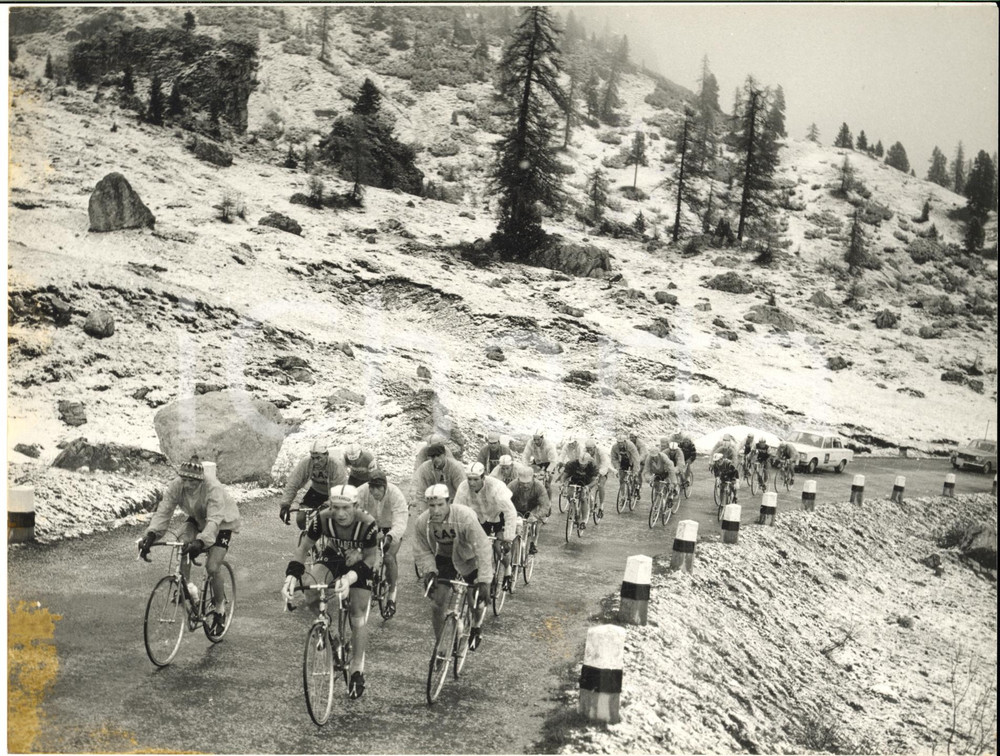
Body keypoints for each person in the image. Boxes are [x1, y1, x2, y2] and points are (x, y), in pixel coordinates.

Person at [281, 485, 378, 700]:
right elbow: (304, 548)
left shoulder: (368, 523)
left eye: (346, 508)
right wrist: (291, 575)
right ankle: (332, 636)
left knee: (357, 612)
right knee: (310, 591)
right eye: (336, 508)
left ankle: (357, 668)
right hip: (334, 555)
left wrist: (351, 577)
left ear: (356, 506)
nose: (340, 514)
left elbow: (372, 558)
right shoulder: (323, 518)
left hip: (361, 561)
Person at [138, 456, 241, 634]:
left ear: (200, 480)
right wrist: (151, 535)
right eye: (184, 480)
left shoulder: (213, 488)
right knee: (181, 542)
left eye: (191, 481)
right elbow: (164, 511)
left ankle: (219, 610)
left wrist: (200, 542)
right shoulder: (177, 485)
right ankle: (189, 587)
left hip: (222, 522)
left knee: (212, 567)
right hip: (198, 518)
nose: (186, 485)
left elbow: (215, 520)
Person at [413, 484, 493, 651]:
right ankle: (440, 645)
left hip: (469, 557)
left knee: (475, 601)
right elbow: (422, 549)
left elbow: (483, 547)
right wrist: (430, 570)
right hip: (445, 557)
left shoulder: (464, 517)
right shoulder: (423, 522)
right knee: (437, 603)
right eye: (432, 506)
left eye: (440, 505)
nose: (436, 510)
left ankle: (476, 627)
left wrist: (484, 580)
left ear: (449, 502)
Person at [454, 462, 518, 591]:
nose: (472, 483)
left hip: (498, 516)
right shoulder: (463, 487)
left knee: (499, 547)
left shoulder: (495, 487)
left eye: (476, 479)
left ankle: (508, 570)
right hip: (480, 518)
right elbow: (457, 511)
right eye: (469, 479)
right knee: (475, 547)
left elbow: (510, 512)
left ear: (483, 478)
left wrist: (508, 538)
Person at [355, 469, 408, 618]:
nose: (375, 492)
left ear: (385, 486)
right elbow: (349, 504)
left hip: (390, 528)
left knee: (388, 557)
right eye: (372, 488)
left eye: (379, 488)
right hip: (371, 527)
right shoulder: (362, 491)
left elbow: (401, 521)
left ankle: (391, 595)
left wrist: (390, 537)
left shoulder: (396, 494)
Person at [279, 440, 347, 530]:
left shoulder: (336, 465)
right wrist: (285, 505)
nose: (315, 462)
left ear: (326, 455)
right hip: (316, 492)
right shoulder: (306, 462)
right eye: (313, 458)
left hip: (334, 495)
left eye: (319, 458)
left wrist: (328, 504)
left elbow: (340, 490)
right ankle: (307, 539)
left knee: (324, 520)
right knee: (301, 519)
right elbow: (293, 483)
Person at [507, 465, 550, 556]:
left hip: (532, 508)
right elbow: (504, 501)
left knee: (535, 522)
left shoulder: (539, 486)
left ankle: (533, 543)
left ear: (533, 479)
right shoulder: (513, 485)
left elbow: (545, 505)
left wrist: (536, 516)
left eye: (528, 483)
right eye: (522, 483)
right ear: (518, 479)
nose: (525, 485)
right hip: (516, 508)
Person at [411, 443, 466, 513]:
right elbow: (420, 491)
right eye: (433, 457)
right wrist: (422, 510)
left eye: (438, 455)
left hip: (452, 502)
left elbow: (462, 492)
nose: (436, 459)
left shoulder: (456, 468)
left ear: (444, 454)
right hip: (433, 503)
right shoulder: (425, 468)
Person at [556, 450, 599, 528]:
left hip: (587, 481)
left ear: (588, 462)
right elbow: (565, 475)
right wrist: (562, 483)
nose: (582, 466)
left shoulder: (593, 466)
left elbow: (594, 481)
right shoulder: (571, 463)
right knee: (569, 494)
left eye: (584, 464)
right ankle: (574, 510)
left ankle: (584, 520)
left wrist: (588, 487)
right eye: (580, 464)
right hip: (575, 480)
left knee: (583, 497)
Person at [522, 429, 558, 494]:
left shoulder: (549, 445)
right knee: (531, 479)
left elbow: (554, 461)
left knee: (547, 483)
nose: (536, 441)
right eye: (534, 439)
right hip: (537, 462)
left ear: (542, 438)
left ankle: (548, 501)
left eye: (538, 439)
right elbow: (525, 456)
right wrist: (525, 467)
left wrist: (548, 471)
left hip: (548, 462)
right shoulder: (530, 443)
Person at [584, 438, 611, 516]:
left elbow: (605, 464)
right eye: (587, 449)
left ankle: (601, 506)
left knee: (600, 485)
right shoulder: (584, 451)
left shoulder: (601, 452)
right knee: (585, 485)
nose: (589, 451)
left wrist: (600, 473)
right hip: (591, 469)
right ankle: (591, 500)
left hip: (602, 469)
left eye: (591, 449)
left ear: (594, 448)